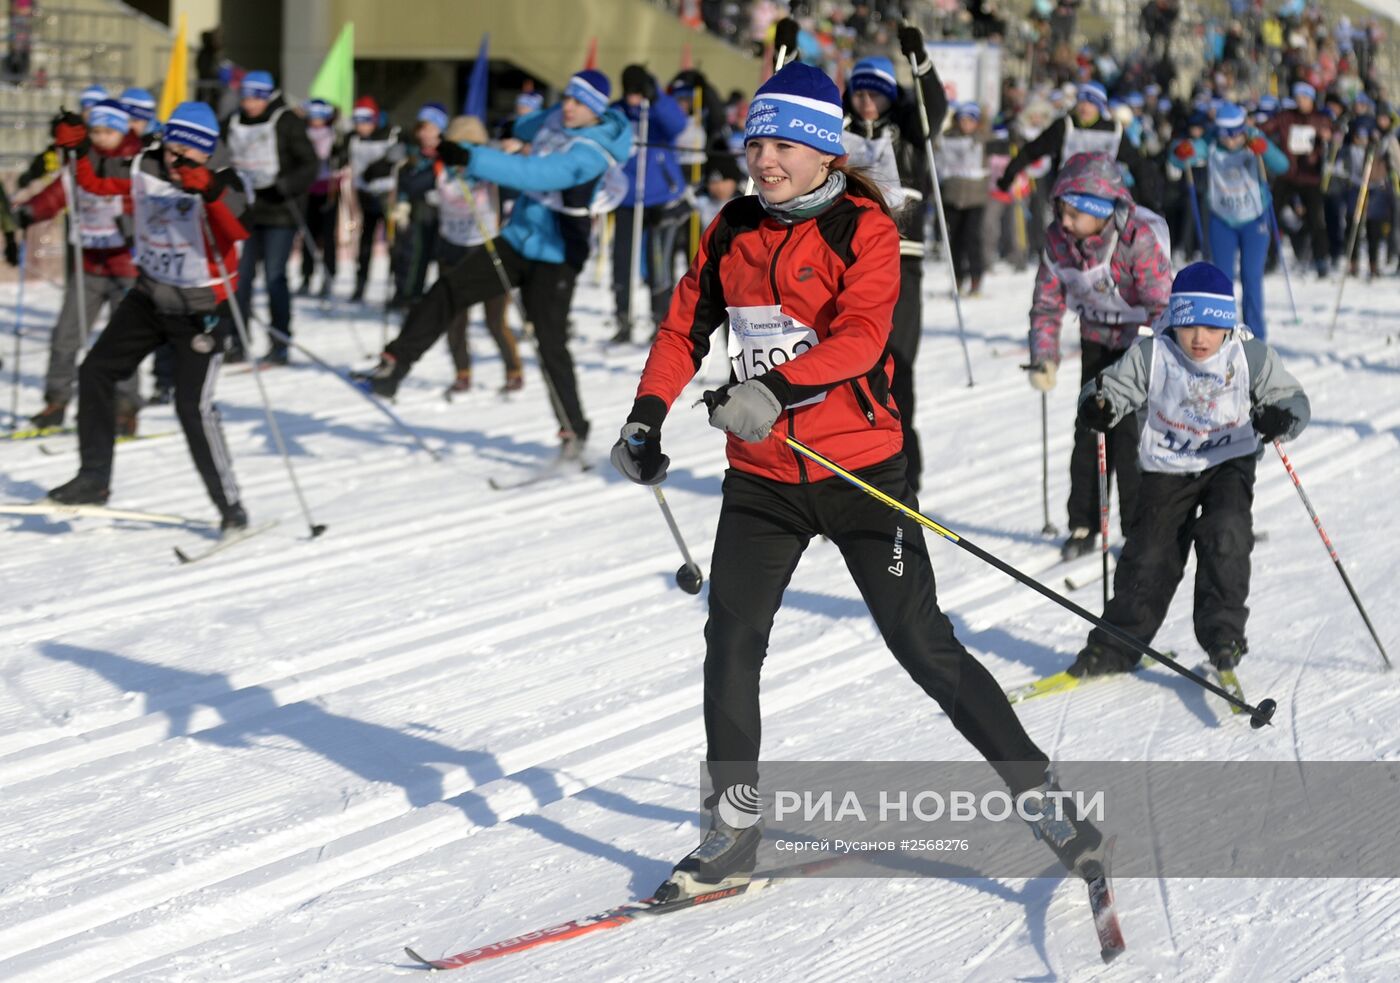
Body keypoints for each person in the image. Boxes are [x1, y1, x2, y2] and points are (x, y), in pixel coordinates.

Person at [612, 61, 1104, 902]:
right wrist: (645, 416)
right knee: (730, 642)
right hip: (763, 478)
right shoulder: (731, 227)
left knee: (923, 645)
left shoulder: (862, 227)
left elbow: (863, 340)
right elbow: (682, 326)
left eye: (780, 145)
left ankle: (1046, 799)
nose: (762, 159)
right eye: (754, 141)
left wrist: (771, 389)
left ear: (822, 153)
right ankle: (731, 832)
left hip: (858, 468)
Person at [352, 69, 631, 457]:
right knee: (450, 288)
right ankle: (393, 366)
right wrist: (513, 124)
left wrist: (472, 157)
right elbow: (536, 122)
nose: (567, 106)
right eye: (567, 97)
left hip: (557, 255)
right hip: (518, 240)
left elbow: (534, 173)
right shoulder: (558, 116)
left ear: (595, 110)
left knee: (550, 344)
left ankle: (574, 430)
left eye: (578, 103)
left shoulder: (590, 154)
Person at [1068, 262, 1310, 676]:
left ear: (1227, 325)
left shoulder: (1247, 354)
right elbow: (1109, 388)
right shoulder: (1154, 352)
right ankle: (1115, 645)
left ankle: (1223, 637)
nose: (1199, 338)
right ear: (1173, 321)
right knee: (1149, 553)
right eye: (1188, 326)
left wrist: (1281, 418)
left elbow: (1293, 400)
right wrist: (1098, 405)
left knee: (1226, 532)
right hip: (1168, 464)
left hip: (1228, 461)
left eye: (1210, 327)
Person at [45, 101, 251, 532]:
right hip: (150, 298)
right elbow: (95, 183)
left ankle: (230, 505)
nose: (175, 161)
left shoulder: (229, 180)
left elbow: (235, 229)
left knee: (191, 406)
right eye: (171, 149)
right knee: (96, 372)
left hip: (202, 310)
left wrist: (208, 192)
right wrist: (78, 148)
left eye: (186, 154)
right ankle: (94, 478)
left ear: (206, 151)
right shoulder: (145, 165)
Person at [1025, 152, 1172, 561]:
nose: (1064, 221)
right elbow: (1047, 301)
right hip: (1095, 337)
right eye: (1061, 211)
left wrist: (1164, 361)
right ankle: (1083, 521)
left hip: (1138, 343)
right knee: (1088, 430)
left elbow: (1163, 305)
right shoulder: (1059, 240)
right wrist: (1044, 355)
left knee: (1128, 437)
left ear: (1099, 210)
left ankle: (1138, 530)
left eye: (1074, 213)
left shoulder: (1136, 238)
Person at [839, 25, 947, 492]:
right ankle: (853, 462)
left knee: (897, 364)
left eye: (877, 94)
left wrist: (919, 61)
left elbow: (934, 110)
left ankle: (904, 472)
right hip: (845, 262)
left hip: (901, 258)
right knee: (847, 365)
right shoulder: (835, 131)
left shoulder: (909, 129)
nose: (867, 103)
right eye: (860, 93)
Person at [15, 99, 143, 433]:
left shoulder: (137, 161)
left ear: (122, 130)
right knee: (65, 334)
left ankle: (125, 408)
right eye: (95, 131)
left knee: (123, 341)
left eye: (108, 132)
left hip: (127, 264)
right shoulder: (79, 161)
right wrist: (29, 211)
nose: (101, 138)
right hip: (89, 263)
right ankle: (56, 402)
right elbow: (58, 194)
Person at [1171, 103, 1288, 339]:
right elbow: (1180, 157)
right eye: (1225, 134)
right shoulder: (1211, 143)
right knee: (1221, 281)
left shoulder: (1253, 139)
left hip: (1255, 220)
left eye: (1236, 133)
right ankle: (1222, 332)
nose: (1231, 140)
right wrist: (1179, 150)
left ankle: (1256, 338)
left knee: (1251, 277)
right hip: (1223, 221)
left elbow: (1282, 165)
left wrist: (1264, 149)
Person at [224, 69, 318, 364]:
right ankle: (237, 340)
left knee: (275, 276)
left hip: (280, 211)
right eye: (246, 97)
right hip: (245, 211)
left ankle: (279, 341)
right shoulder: (232, 121)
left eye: (256, 97)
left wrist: (287, 184)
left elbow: (309, 163)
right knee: (240, 278)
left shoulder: (286, 121)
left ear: (267, 96)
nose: (250, 103)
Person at [432, 115, 523, 395]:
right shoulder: (440, 169)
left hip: (487, 250)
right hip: (452, 250)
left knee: (494, 321)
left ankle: (514, 371)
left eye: (470, 145)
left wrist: (515, 155)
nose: (462, 151)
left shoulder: (490, 172)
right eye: (458, 144)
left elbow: (518, 185)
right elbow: (413, 181)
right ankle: (462, 373)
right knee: (455, 319)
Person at [609, 65, 691, 344]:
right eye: (629, 93)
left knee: (658, 261)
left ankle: (660, 319)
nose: (633, 99)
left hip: (660, 198)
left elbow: (678, 125)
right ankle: (623, 317)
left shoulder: (656, 109)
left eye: (637, 92)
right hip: (626, 197)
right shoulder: (618, 112)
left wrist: (654, 98)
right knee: (622, 259)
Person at [998, 81, 1163, 213]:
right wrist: (1008, 175)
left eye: (1091, 103)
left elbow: (1138, 164)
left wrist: (1149, 202)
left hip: (1102, 201)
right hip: (1069, 198)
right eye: (1082, 101)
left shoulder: (1113, 131)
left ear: (1099, 106)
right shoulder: (1064, 127)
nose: (1084, 107)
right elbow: (1031, 151)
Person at [1263, 82, 1333, 277]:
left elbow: (1335, 134)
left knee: (1316, 219)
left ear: (1311, 99)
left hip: (1310, 177)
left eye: (1305, 97)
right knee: (1272, 214)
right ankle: (1270, 257)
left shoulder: (1320, 118)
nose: (1301, 101)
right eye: (1298, 97)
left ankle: (1321, 259)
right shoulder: (1287, 116)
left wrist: (1329, 136)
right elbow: (1267, 127)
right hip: (1288, 174)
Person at [389, 102, 447, 309]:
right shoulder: (411, 154)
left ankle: (419, 296)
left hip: (440, 214)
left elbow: (420, 182)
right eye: (422, 128)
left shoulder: (445, 154)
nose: (425, 134)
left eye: (431, 128)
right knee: (407, 253)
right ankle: (405, 293)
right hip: (415, 210)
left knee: (427, 255)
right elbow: (405, 182)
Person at [347, 95, 402, 302]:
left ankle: (396, 287)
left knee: (393, 244)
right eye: (358, 121)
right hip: (365, 197)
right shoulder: (352, 138)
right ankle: (360, 285)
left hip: (388, 197)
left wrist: (374, 169)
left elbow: (396, 157)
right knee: (365, 244)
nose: (361, 126)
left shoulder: (390, 134)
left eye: (366, 121)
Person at [937, 101, 992, 296]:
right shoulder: (947, 138)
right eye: (963, 119)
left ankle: (976, 277)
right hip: (953, 196)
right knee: (955, 240)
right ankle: (958, 277)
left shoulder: (983, 139)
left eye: (971, 120)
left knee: (973, 238)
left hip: (975, 198)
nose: (966, 124)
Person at [298, 97, 344, 298]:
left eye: (320, 116)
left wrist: (338, 154)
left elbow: (341, 156)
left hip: (329, 190)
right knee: (308, 234)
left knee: (327, 236)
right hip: (308, 190)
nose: (316, 121)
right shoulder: (303, 133)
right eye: (313, 116)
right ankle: (307, 275)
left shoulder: (334, 134)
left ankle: (328, 275)